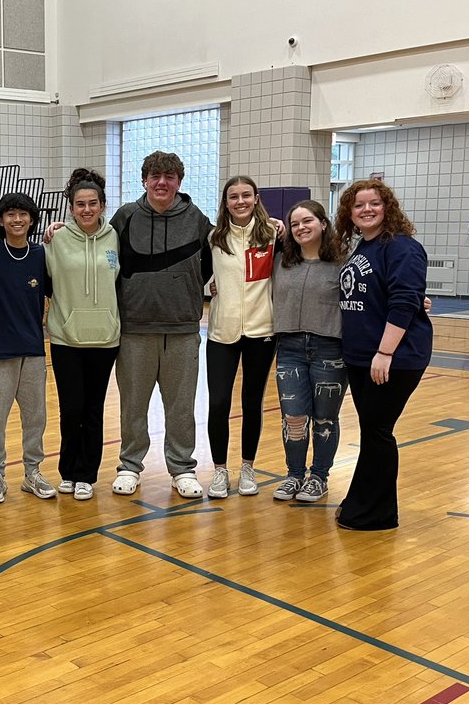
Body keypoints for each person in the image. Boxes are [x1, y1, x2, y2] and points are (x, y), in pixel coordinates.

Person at [108, 151, 214, 498]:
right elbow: (99, 252)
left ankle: (182, 468)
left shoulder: (197, 219)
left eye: (169, 176)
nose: (162, 182)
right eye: (155, 176)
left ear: (179, 182)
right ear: (145, 180)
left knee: (182, 405)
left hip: (182, 329)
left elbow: (218, 255)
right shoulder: (125, 217)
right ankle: (129, 465)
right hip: (135, 329)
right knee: (133, 405)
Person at [334, 178, 433, 530]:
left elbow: (404, 300)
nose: (366, 210)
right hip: (362, 357)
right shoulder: (364, 247)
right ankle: (362, 503)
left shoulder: (402, 247)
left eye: (373, 203)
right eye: (358, 205)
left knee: (377, 431)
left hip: (393, 358)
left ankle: (376, 513)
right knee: (372, 430)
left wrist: (385, 352)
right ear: (349, 213)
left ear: (386, 207)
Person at [44, 169, 121, 500]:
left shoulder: (116, 237)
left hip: (105, 339)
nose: (86, 209)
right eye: (80, 204)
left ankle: (87, 474)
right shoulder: (55, 239)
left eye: (92, 204)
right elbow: (45, 280)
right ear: (71, 208)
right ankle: (68, 470)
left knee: (93, 408)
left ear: (102, 205)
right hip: (66, 337)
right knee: (70, 407)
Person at [0, 191, 56, 504]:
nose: (17, 219)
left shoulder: (40, 255)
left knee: (36, 416)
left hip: (34, 350)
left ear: (32, 219)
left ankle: (32, 473)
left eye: (23, 214)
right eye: (10, 214)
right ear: (0, 220)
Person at [203, 176, 278, 499]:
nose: (240, 201)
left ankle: (248, 467)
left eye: (246, 195)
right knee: (218, 403)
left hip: (262, 331)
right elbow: (203, 277)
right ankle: (220, 470)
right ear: (226, 202)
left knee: (252, 402)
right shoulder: (214, 238)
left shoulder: (275, 235)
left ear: (256, 198)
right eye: (233, 196)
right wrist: (210, 288)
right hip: (222, 331)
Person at [270, 200, 347, 504]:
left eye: (307, 221)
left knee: (325, 419)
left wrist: (416, 301)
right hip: (289, 348)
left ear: (323, 224)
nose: (301, 228)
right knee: (294, 417)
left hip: (330, 347)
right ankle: (294, 475)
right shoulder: (281, 261)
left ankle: (319, 477)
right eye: (295, 223)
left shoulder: (342, 263)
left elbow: (368, 295)